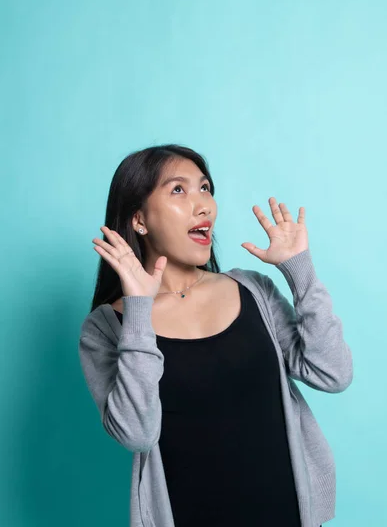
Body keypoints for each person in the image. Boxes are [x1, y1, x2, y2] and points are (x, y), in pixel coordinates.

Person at [78, 143, 353, 527]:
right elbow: (137, 434)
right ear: (139, 219)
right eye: (179, 190)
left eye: (205, 188)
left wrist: (300, 271)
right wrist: (139, 310)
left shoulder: (252, 290)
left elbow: (333, 372)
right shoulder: (107, 328)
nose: (204, 204)